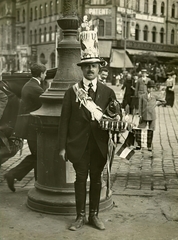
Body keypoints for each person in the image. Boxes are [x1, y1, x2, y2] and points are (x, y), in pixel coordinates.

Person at [58, 17, 120, 231]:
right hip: (78, 144)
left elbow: (114, 116)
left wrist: (118, 118)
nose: (90, 70)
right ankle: (79, 216)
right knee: (79, 180)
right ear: (82, 69)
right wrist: (63, 146)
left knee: (96, 180)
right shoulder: (71, 91)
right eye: (86, 67)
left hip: (99, 144)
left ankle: (94, 215)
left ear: (98, 67)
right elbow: (63, 120)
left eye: (93, 66)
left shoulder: (108, 92)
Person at [4, 63, 47, 192]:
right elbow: (46, 100)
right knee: (38, 155)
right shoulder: (35, 88)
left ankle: (37, 181)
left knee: (37, 155)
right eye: (44, 73)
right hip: (33, 126)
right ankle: (12, 174)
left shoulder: (30, 84)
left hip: (30, 125)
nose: (45, 76)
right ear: (41, 74)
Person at [138, 80, 159, 151]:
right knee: (139, 129)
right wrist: (140, 114)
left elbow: (163, 101)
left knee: (151, 130)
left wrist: (157, 103)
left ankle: (149, 145)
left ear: (153, 89)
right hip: (144, 114)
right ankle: (138, 144)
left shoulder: (155, 96)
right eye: (149, 87)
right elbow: (140, 106)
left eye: (152, 88)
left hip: (152, 115)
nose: (150, 89)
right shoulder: (142, 96)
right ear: (147, 88)